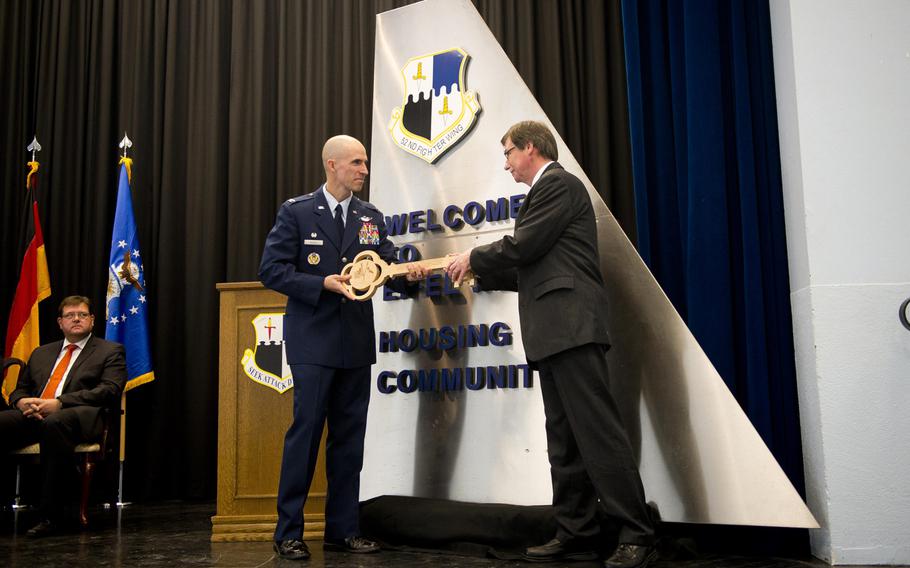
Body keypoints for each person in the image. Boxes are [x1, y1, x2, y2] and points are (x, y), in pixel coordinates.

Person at [446, 121, 657, 568]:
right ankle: (577, 531)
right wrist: (475, 272)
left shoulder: (557, 184)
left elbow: (524, 246)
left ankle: (636, 532)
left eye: (507, 153)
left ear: (529, 148)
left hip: (573, 328)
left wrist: (472, 256)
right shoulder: (544, 196)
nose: (505, 164)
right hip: (554, 333)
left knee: (598, 436)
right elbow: (529, 266)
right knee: (563, 441)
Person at [259, 134, 422, 561]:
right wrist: (322, 284)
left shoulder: (371, 217)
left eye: (365, 163)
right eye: (356, 162)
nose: (364, 170)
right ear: (331, 165)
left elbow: (385, 265)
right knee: (306, 436)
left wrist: (409, 273)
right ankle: (289, 532)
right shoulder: (295, 213)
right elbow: (271, 271)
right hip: (313, 342)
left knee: (350, 441)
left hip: (355, 343)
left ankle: (343, 530)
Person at [0, 295, 126, 537]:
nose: (76, 319)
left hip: (75, 417)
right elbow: (20, 389)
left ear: (92, 320)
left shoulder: (110, 350)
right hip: (34, 415)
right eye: (70, 315)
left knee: (54, 422)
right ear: (60, 322)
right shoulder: (41, 353)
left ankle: (51, 516)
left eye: (82, 314)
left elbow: (109, 390)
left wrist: (59, 403)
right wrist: (21, 401)